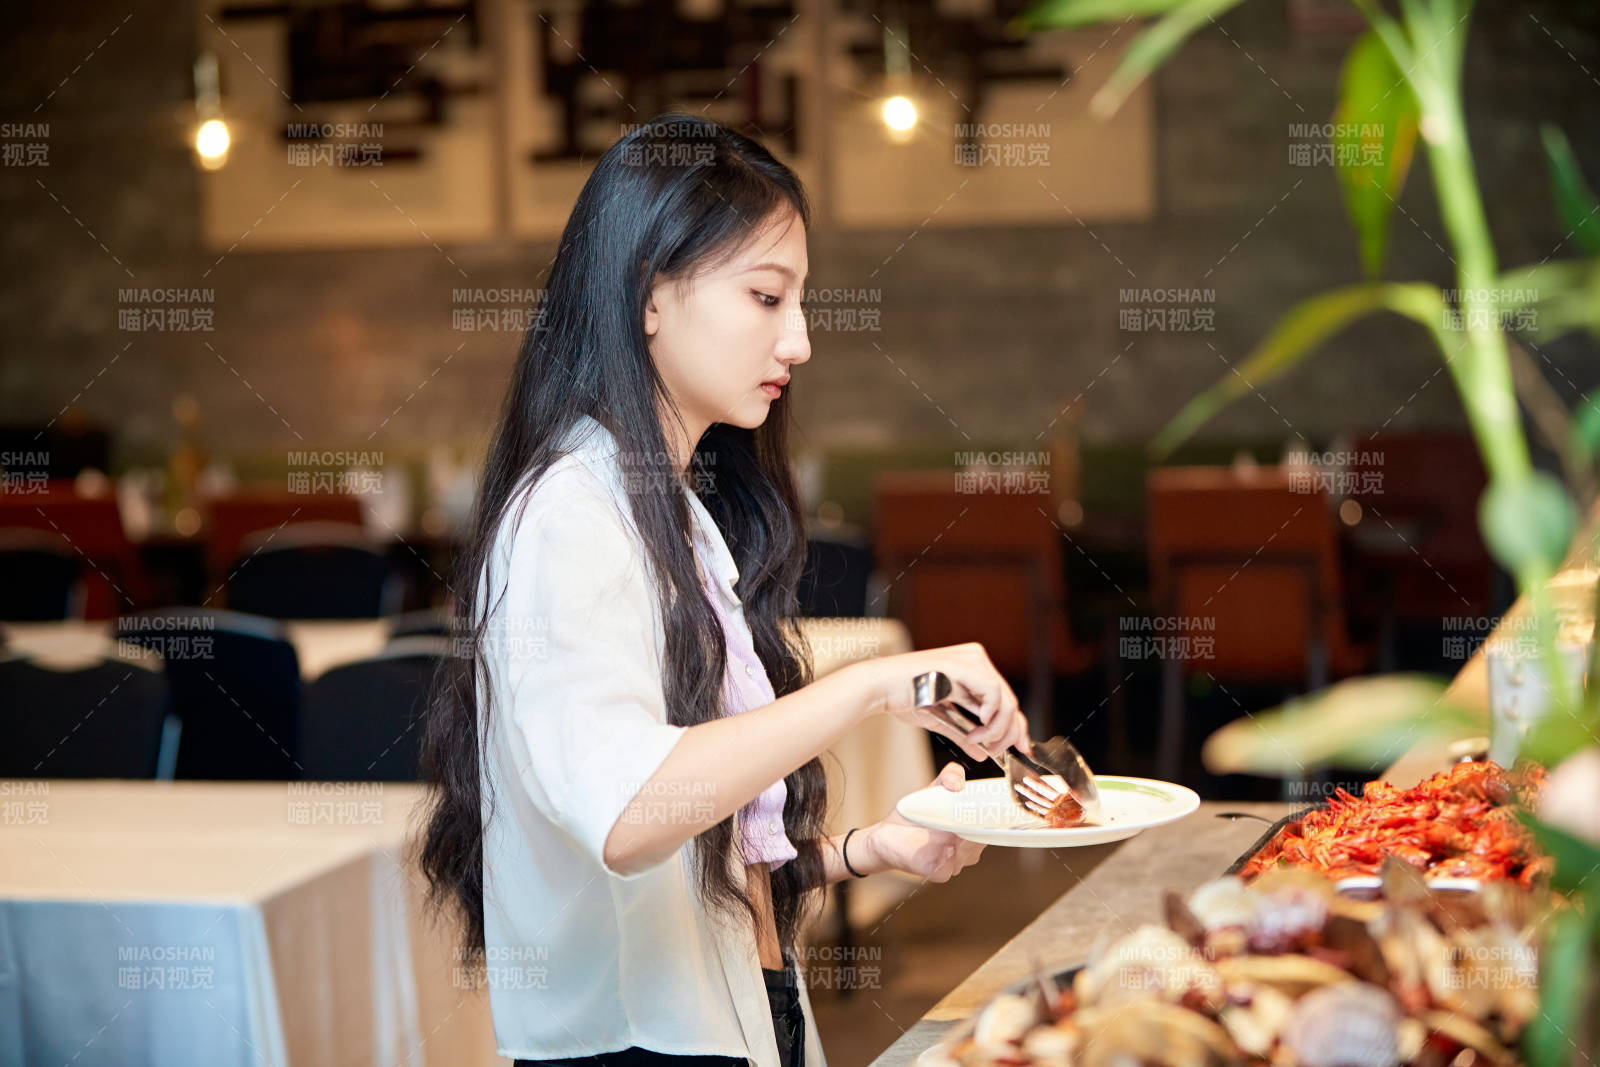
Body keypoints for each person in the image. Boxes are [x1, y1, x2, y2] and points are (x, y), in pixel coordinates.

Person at [417, 114, 1032, 1067]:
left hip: (740, 1011)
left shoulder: (674, 510)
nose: (801, 340)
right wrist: (870, 682)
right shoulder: (568, 518)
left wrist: (869, 849)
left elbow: (696, 861)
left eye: (800, 300)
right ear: (649, 295)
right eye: (765, 296)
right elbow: (630, 815)